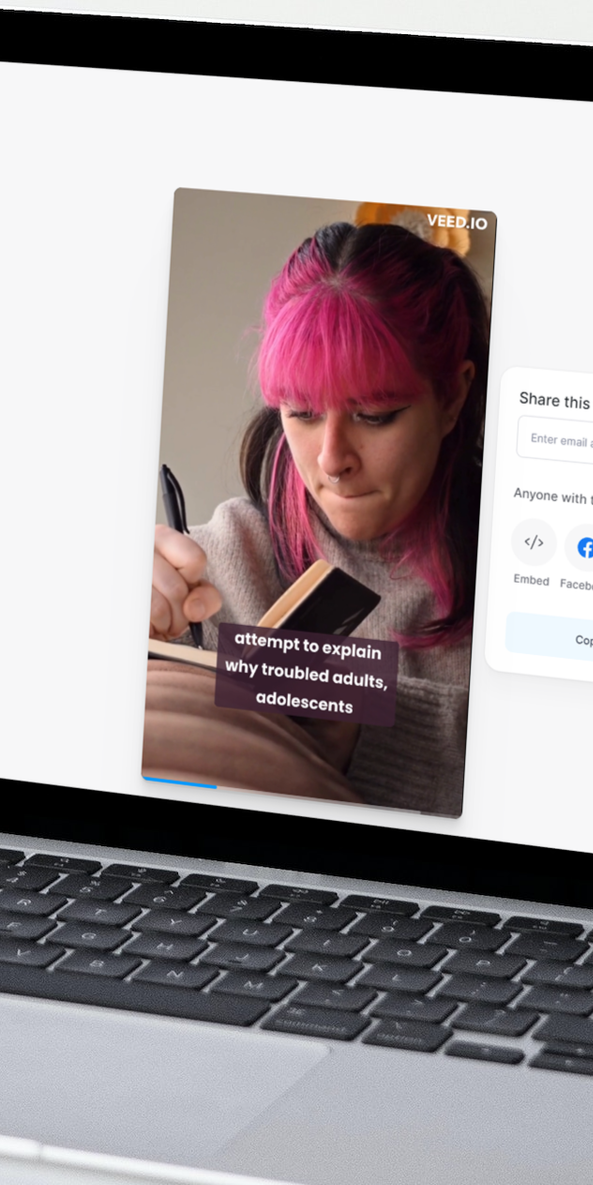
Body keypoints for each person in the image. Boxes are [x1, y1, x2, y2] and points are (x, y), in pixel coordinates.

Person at [145, 217, 488, 817]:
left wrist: (366, 729)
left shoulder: (529, 570)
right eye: (301, 412)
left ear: (453, 397)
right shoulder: (213, 565)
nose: (332, 460)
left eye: (375, 415)